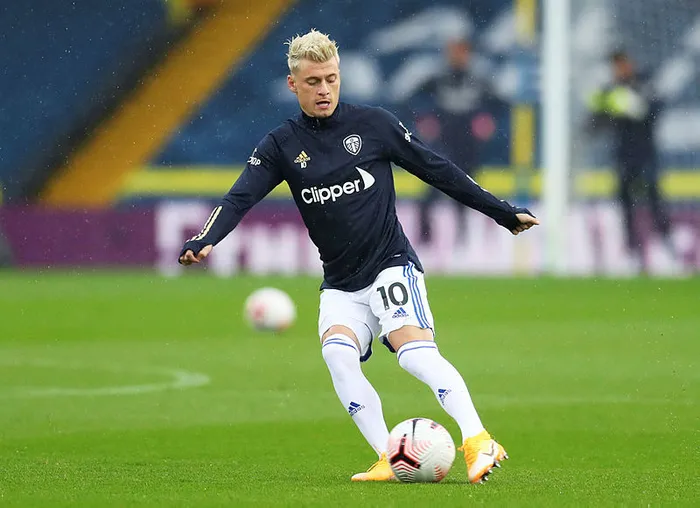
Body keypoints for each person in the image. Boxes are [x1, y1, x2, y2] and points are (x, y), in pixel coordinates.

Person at [179, 30, 539, 484]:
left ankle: (478, 439)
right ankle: (389, 456)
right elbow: (239, 197)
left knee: (412, 354)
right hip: (341, 282)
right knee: (338, 355)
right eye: (313, 82)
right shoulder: (281, 144)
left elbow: (437, 169)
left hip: (391, 264)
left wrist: (502, 212)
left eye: (331, 79)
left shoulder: (373, 125)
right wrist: (206, 238)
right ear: (293, 84)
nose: (324, 89)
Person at [588, 50, 675, 271]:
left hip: (645, 154)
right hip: (624, 156)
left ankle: (666, 248)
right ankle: (632, 252)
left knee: (654, 200)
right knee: (626, 204)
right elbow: (595, 123)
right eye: (616, 66)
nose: (620, 69)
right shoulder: (611, 90)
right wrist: (603, 107)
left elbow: (656, 108)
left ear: (630, 63)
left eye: (622, 64)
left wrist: (639, 106)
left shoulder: (645, 83)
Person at [408, 38, 498, 244]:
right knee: (433, 184)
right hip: (444, 139)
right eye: (454, 51)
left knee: (466, 186)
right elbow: (412, 99)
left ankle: (463, 235)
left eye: (462, 52)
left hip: (468, 141)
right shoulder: (438, 77)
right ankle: (425, 236)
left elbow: (498, 103)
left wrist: (488, 119)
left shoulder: (478, 79)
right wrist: (424, 118)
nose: (458, 56)